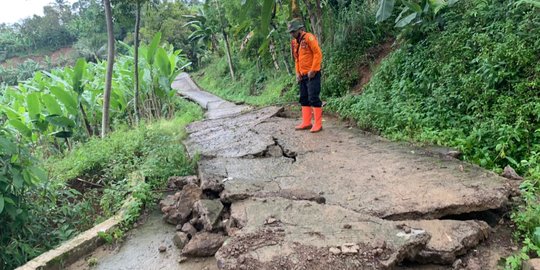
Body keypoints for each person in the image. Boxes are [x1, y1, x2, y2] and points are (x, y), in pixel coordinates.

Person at [288, 19, 323, 133]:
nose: (292, 34)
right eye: (291, 32)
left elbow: (317, 53)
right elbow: (297, 59)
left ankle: (318, 124)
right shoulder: (294, 43)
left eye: (294, 31)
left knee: (313, 98)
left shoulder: (309, 37)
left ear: (300, 29)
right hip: (302, 75)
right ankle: (306, 122)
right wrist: (297, 73)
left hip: (313, 74)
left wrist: (313, 69)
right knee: (304, 98)